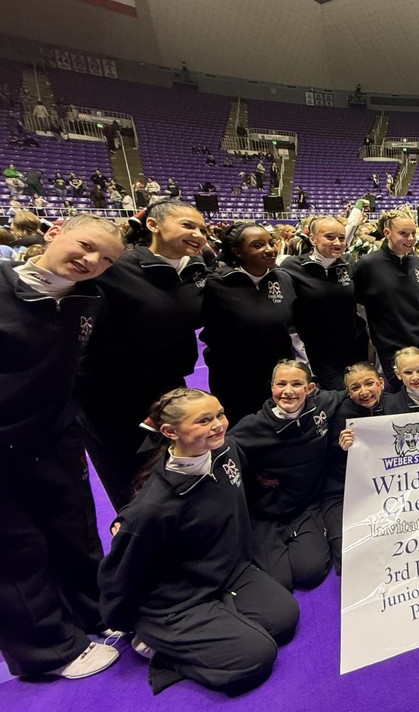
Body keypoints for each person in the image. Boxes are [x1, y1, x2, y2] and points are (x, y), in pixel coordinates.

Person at [98, 388, 299, 696]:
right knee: (257, 658)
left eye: (219, 414)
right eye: (204, 420)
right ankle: (158, 644)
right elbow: (118, 570)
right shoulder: (152, 508)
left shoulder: (226, 450)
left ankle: (220, 619)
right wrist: (121, 619)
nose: (218, 424)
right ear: (169, 432)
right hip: (177, 599)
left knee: (284, 620)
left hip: (227, 572)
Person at [1, 215, 125, 681]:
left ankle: (96, 610)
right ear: (54, 232)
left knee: (74, 527)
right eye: (87, 246)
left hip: (54, 435)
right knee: (16, 550)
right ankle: (47, 651)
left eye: (107, 259)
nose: (93, 261)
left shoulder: (88, 300)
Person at [78, 200, 211, 510]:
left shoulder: (196, 272)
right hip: (112, 398)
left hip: (169, 391)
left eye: (203, 229)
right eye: (187, 226)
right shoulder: (113, 269)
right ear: (153, 225)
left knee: (169, 472)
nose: (198, 234)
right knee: (127, 482)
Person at [230, 360, 342, 591]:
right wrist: (253, 477)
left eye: (296, 384)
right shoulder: (252, 426)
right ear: (271, 387)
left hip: (305, 506)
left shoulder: (321, 407)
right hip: (265, 512)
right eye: (281, 384)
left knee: (310, 574)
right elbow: (225, 456)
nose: (288, 391)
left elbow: (352, 392)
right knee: (280, 582)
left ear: (310, 389)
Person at [200, 223, 296, 425]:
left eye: (271, 243)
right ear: (237, 251)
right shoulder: (216, 284)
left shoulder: (284, 279)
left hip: (277, 375)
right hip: (235, 379)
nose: (269, 249)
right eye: (258, 245)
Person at [280, 216, 366, 391]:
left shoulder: (348, 263)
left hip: (353, 349)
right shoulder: (292, 267)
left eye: (342, 238)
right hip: (318, 353)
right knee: (337, 397)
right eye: (330, 237)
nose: (337, 242)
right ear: (312, 239)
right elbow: (288, 315)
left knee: (359, 395)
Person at [353, 209, 419, 387]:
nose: (411, 239)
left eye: (413, 233)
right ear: (387, 233)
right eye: (403, 233)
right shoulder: (368, 264)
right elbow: (358, 304)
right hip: (392, 346)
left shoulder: (416, 261)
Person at [325, 363, 387, 571]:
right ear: (349, 393)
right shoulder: (341, 416)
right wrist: (342, 450)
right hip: (345, 489)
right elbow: (328, 459)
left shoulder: (397, 405)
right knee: (351, 556)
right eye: (355, 388)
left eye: (369, 383)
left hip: (388, 486)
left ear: (381, 383)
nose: (364, 392)